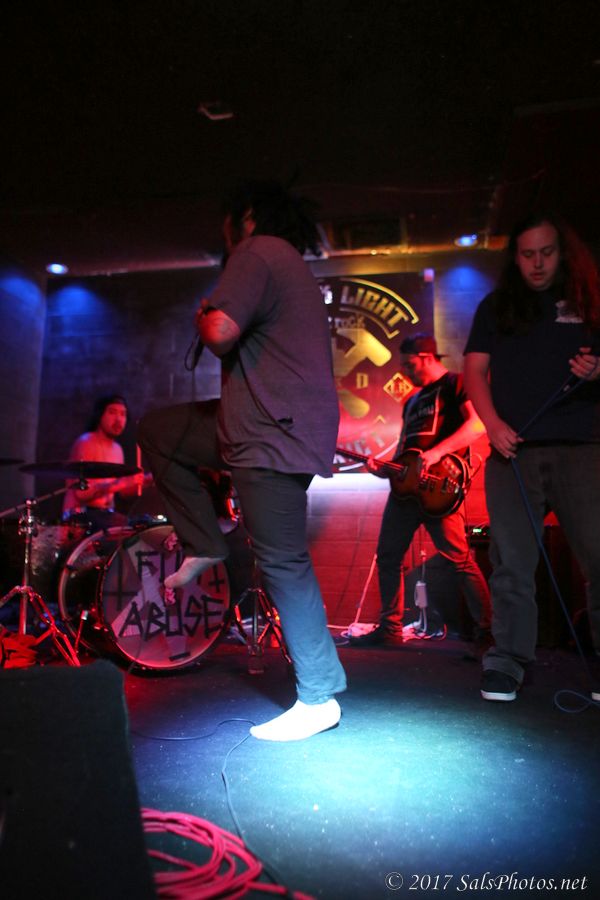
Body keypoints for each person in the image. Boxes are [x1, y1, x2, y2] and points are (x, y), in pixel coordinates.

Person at [138, 179, 347, 741]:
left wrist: (206, 314)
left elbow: (221, 331)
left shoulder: (258, 250)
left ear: (247, 217)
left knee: (283, 560)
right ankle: (206, 542)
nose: (224, 236)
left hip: (270, 430)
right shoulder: (285, 261)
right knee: (160, 432)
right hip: (257, 423)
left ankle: (318, 697)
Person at [464, 212, 600, 702]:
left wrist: (597, 370)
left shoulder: (589, 300)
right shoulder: (496, 306)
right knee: (511, 563)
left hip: (582, 448)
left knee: (599, 557)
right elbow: (474, 372)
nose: (538, 263)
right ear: (515, 257)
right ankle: (508, 661)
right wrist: (493, 424)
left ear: (562, 252)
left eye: (546, 252)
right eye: (527, 254)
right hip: (513, 450)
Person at [349, 333, 492, 651]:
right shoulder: (412, 402)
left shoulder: (455, 383)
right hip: (405, 492)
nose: (405, 371)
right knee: (388, 556)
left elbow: (477, 425)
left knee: (459, 559)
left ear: (427, 357)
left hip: (440, 488)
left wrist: (437, 453)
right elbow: (405, 450)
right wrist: (384, 468)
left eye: (409, 364)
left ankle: (487, 630)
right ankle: (390, 629)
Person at [62, 394, 145, 530]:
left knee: (140, 525)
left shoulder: (118, 449)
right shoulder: (87, 442)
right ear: (99, 415)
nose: (118, 419)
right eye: (112, 412)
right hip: (81, 516)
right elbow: (82, 493)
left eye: (123, 414)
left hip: (105, 515)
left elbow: (121, 492)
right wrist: (122, 483)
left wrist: (145, 481)